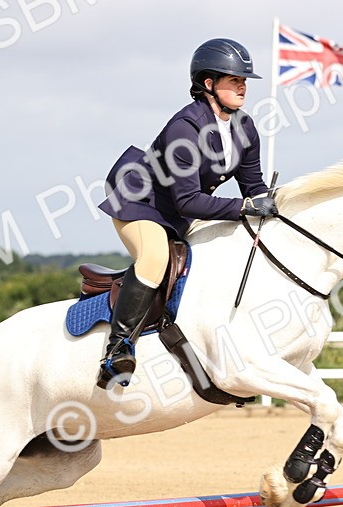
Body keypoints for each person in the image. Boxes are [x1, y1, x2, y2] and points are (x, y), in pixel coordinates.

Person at [95, 37, 279, 389]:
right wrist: (243, 208)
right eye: (234, 80)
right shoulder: (186, 127)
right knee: (154, 258)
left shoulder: (245, 128)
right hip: (140, 203)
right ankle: (118, 349)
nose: (243, 87)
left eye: (244, 81)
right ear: (208, 84)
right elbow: (189, 202)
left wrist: (271, 209)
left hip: (181, 212)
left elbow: (253, 189)